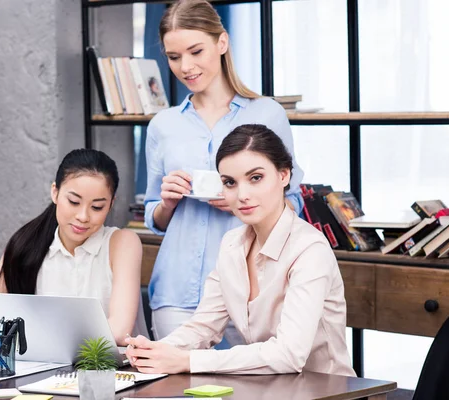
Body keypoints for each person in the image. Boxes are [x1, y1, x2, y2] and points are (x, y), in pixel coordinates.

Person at [126, 124, 354, 376]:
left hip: (328, 392)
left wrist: (188, 361)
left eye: (255, 178)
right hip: (270, 390)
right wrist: (154, 351)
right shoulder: (232, 245)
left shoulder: (310, 250)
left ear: (284, 175)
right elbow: (204, 327)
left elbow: (288, 355)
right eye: (230, 183)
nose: (242, 194)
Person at [144, 0, 305, 342]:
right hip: (177, 293)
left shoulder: (266, 114)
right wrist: (168, 202)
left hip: (251, 289)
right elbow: (154, 218)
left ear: (222, 42)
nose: (185, 66)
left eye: (195, 51)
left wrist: (239, 199)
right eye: (174, 57)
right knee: (179, 395)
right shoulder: (163, 125)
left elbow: (293, 205)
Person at [0, 149, 143, 345]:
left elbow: (119, 331)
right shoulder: (28, 242)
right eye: (73, 202)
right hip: (46, 368)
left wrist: (39, 331)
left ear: (111, 204)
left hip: (113, 371)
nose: (83, 216)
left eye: (97, 207)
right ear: (55, 192)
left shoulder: (122, 243)